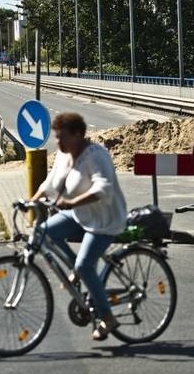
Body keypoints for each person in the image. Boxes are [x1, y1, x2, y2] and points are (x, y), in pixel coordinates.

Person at [30, 112, 127, 341]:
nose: (58, 142)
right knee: (43, 232)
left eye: (62, 137)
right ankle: (76, 271)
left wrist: (72, 202)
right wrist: (31, 201)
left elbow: (104, 189)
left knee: (85, 267)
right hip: (80, 216)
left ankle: (107, 318)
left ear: (78, 135)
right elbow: (50, 183)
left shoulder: (96, 156)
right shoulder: (64, 156)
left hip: (104, 221)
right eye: (56, 137)